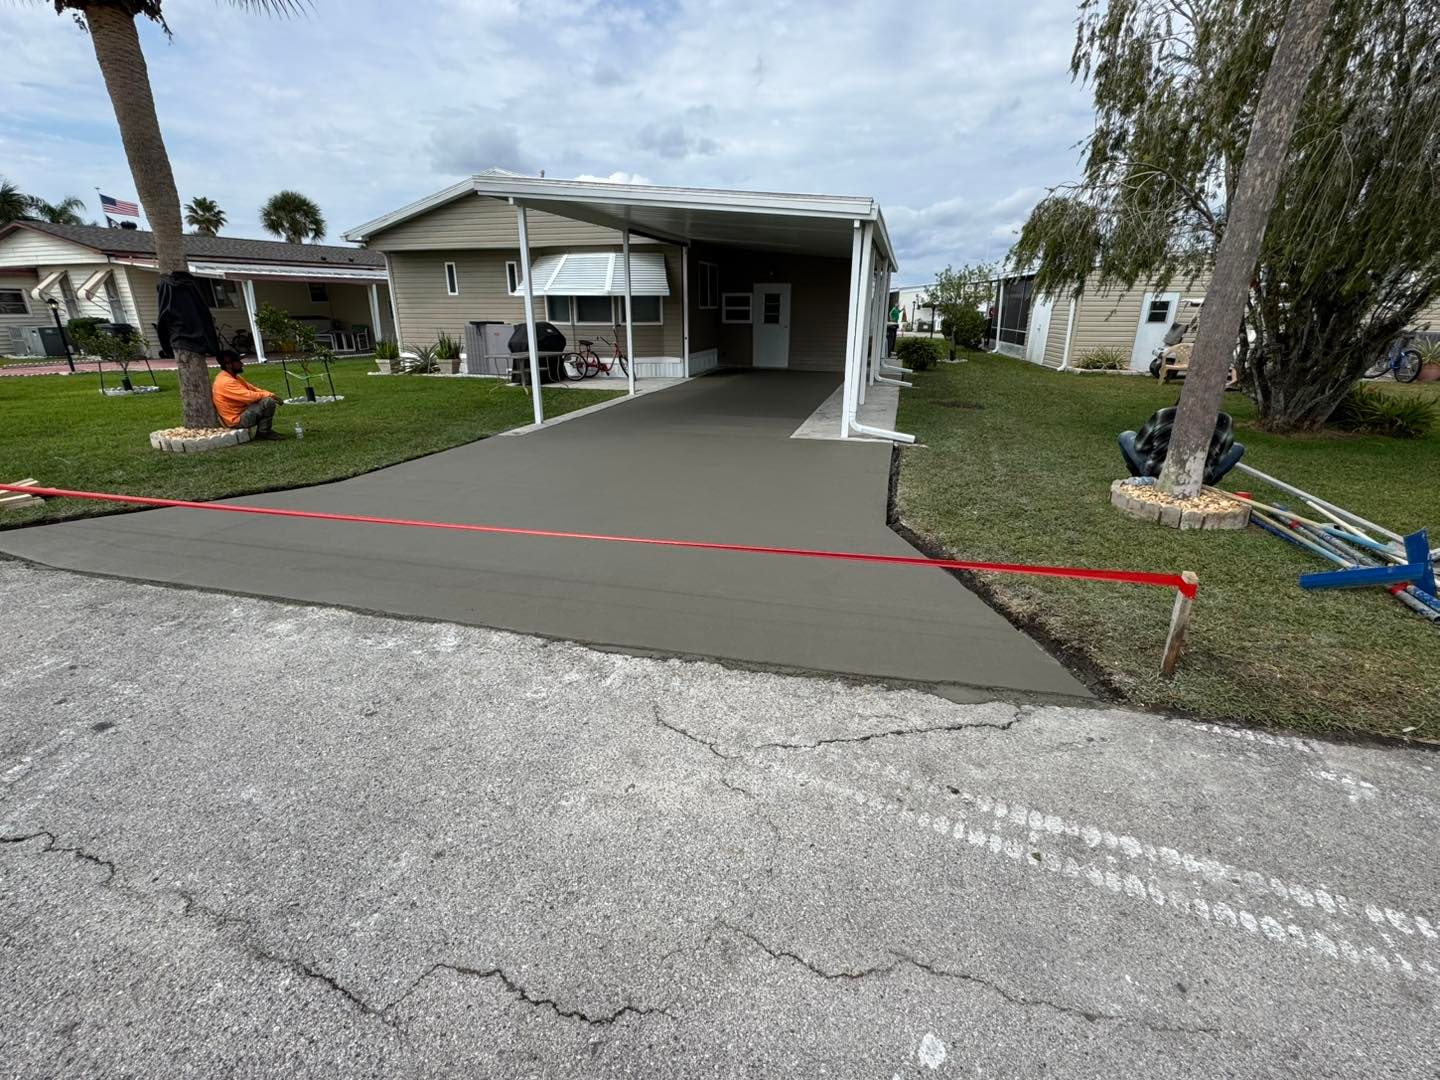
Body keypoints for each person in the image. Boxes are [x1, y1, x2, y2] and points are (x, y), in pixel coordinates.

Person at [212, 349, 282, 439]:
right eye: (238, 361)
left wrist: (269, 394)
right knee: (268, 402)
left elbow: (253, 389)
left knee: (267, 399)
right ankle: (264, 432)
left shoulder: (233, 377)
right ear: (228, 364)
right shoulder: (226, 382)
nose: (242, 364)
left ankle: (264, 432)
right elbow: (249, 397)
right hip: (236, 420)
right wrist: (271, 396)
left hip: (242, 412)